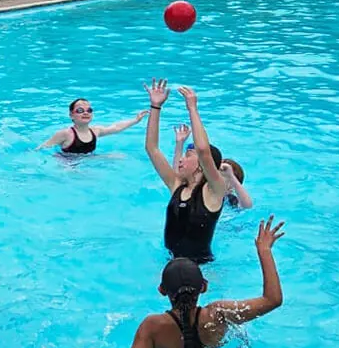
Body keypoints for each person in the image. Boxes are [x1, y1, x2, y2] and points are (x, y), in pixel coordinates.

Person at [106, 216, 285, 348]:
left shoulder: (153, 326)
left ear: (162, 290)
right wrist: (264, 251)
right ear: (204, 287)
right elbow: (272, 300)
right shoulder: (219, 314)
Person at [145, 79, 228, 263]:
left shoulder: (214, 191)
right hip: (169, 262)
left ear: (201, 165)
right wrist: (155, 107)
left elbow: (204, 151)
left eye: (188, 155)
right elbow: (152, 148)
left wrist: (192, 108)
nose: (181, 159)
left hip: (201, 269)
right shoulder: (177, 186)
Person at [173, 125, 253, 210]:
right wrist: (179, 144)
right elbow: (178, 175)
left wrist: (231, 177)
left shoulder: (230, 201)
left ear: (231, 187)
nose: (215, 177)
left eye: (221, 175)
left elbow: (247, 206)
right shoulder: (200, 189)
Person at [39, 99, 147, 154]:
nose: (85, 113)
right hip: (68, 163)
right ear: (71, 115)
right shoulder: (65, 134)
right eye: (80, 110)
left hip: (88, 159)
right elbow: (43, 148)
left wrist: (135, 120)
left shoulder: (95, 131)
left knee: (118, 156)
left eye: (89, 110)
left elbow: (115, 128)